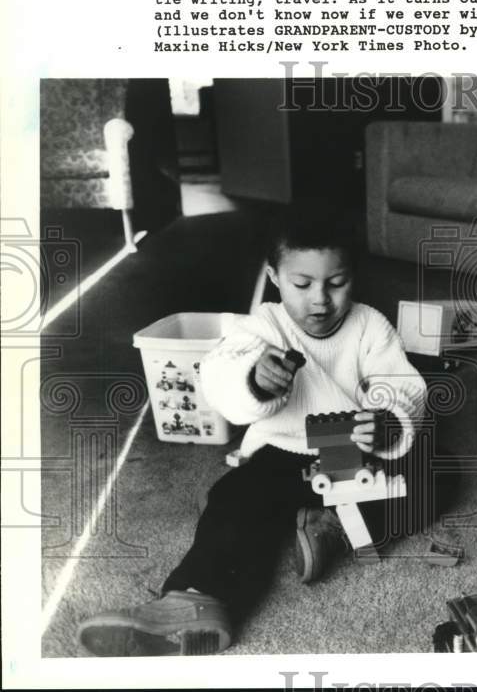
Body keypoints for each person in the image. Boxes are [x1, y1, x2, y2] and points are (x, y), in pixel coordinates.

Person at [77, 211, 427, 656]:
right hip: (285, 456)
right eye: (302, 285)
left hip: (357, 458)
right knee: (234, 500)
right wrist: (255, 380)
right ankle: (196, 597)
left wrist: (386, 420)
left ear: (353, 277)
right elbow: (219, 377)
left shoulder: (370, 325)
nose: (320, 300)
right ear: (275, 277)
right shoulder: (261, 326)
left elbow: (402, 384)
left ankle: (333, 528)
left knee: (437, 472)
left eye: (336, 283)